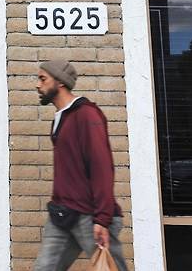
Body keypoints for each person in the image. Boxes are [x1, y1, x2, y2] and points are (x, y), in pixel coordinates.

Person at [33, 60, 128, 271]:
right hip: (62, 215)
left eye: (42, 79)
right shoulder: (61, 117)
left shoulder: (86, 115)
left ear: (60, 83)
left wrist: (102, 219)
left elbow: (102, 167)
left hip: (90, 216)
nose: (37, 85)